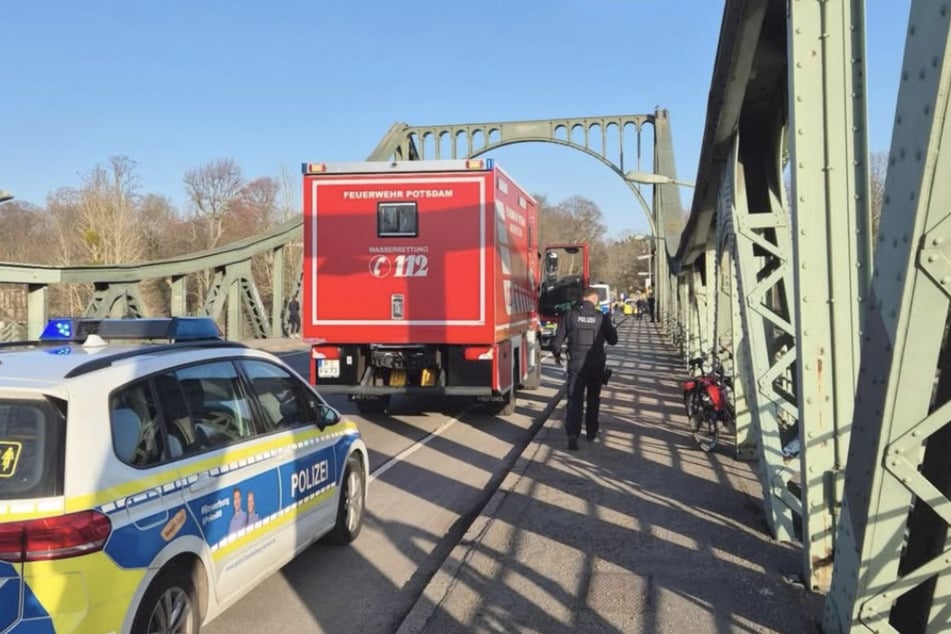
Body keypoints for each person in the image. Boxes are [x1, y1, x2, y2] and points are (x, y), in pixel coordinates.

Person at [552, 287, 619, 450]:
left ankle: (573, 434)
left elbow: (557, 341)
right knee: (593, 400)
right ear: (595, 299)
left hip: (576, 363)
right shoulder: (600, 317)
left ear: (583, 298)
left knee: (575, 399)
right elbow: (613, 340)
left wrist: (557, 355)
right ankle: (591, 432)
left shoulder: (570, 315)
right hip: (596, 364)